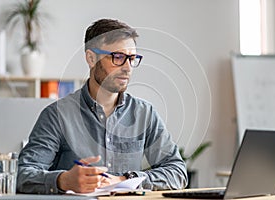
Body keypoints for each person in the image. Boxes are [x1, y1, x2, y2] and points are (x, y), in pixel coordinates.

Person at [17, 18, 188, 194]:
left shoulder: (145, 114)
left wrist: (126, 179)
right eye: (118, 57)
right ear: (91, 58)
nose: (128, 68)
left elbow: (177, 172)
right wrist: (64, 180)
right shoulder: (57, 115)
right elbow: (22, 175)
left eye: (132, 58)